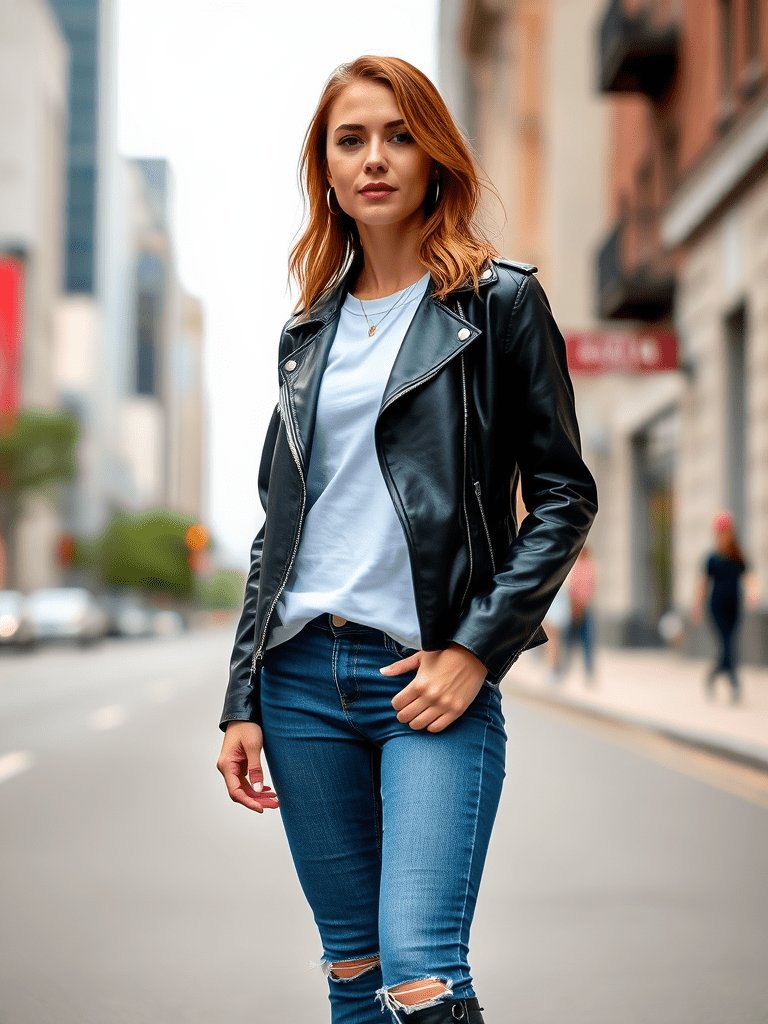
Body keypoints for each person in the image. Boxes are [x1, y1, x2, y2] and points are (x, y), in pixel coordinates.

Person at [215, 55, 598, 1024]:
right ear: (328, 168)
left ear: (434, 157)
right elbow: (280, 528)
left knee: (422, 976)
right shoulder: (308, 330)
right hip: (301, 679)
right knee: (351, 969)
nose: (375, 158)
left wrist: (477, 649)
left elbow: (562, 495)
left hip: (425, 677)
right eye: (352, 139)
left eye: (398, 135)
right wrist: (241, 698)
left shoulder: (498, 303)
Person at [691, 510, 759, 704]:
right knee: (728, 645)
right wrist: (697, 606)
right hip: (717, 608)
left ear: (731, 533)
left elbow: (748, 577)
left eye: (725, 532)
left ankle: (713, 675)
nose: (722, 537)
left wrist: (754, 593)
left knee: (729, 646)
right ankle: (735, 684)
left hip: (734, 607)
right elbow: (703, 584)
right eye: (719, 533)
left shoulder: (737, 556)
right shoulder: (712, 559)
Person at [561, 544, 597, 684]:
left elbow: (585, 588)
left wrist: (579, 605)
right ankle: (567, 669)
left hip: (581, 608)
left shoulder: (584, 566)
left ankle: (586, 672)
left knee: (583, 641)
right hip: (576, 607)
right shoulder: (584, 566)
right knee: (574, 641)